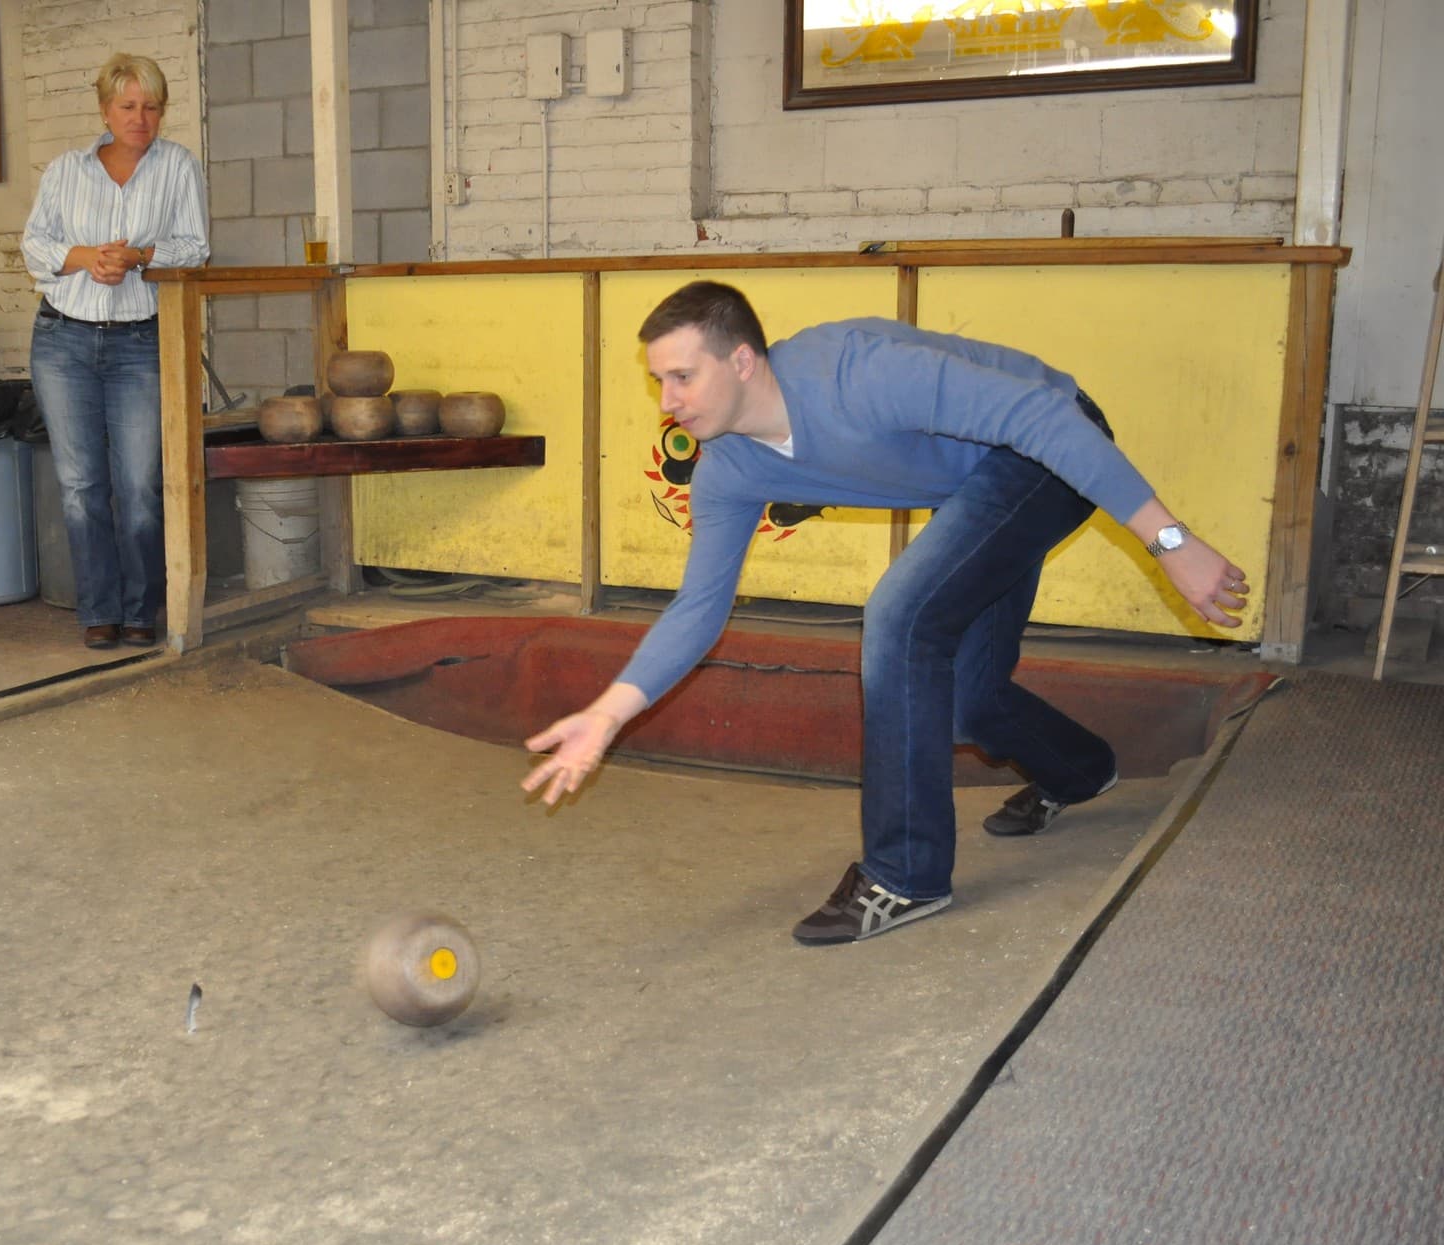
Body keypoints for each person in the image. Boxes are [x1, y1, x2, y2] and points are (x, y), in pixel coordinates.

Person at [521, 281, 1249, 945]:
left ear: (742, 362)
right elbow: (699, 609)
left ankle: (905, 877)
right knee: (968, 698)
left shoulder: (854, 375)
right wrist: (610, 713)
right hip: (977, 492)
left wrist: (1168, 540)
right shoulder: (732, 467)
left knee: (900, 618)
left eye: (683, 377)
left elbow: (1040, 415)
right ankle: (1081, 771)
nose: (667, 402)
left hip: (1048, 446)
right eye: (658, 382)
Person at [23, 53, 209, 649]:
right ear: (105, 108)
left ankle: (140, 609)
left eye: (151, 106)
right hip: (62, 340)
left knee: (140, 486)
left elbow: (195, 247)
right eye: (128, 106)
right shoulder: (64, 170)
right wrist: (91, 257)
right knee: (80, 486)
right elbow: (35, 244)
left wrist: (139, 257)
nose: (141, 118)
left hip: (138, 342)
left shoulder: (178, 166)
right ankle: (97, 610)